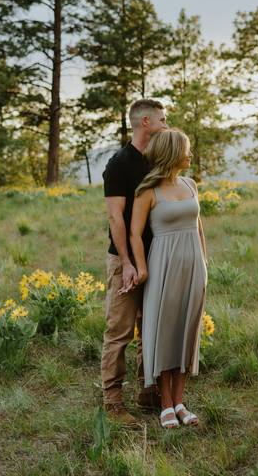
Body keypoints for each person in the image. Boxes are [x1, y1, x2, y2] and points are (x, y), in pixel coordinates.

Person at [129, 129, 208, 429]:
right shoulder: (147, 191)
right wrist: (141, 268)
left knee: (188, 331)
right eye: (186, 149)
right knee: (165, 331)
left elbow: (199, 228)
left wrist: (204, 263)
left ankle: (180, 401)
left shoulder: (191, 184)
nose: (190, 154)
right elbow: (135, 233)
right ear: (172, 153)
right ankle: (164, 404)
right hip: (163, 265)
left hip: (193, 266)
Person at [100, 98, 168, 424]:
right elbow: (116, 219)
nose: (166, 125)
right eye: (162, 119)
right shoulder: (119, 164)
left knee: (150, 329)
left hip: (155, 257)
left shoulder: (156, 161)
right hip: (125, 260)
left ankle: (148, 391)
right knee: (120, 331)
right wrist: (126, 263)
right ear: (145, 122)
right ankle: (112, 402)